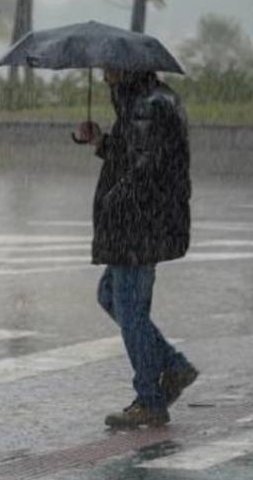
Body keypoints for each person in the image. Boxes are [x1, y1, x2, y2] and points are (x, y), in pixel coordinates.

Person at [74, 70, 199, 428]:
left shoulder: (147, 106)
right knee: (111, 294)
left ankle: (150, 397)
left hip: (137, 225)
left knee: (129, 308)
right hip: (142, 222)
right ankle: (172, 365)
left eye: (108, 68)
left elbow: (145, 168)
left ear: (126, 69)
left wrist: (117, 198)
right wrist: (101, 141)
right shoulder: (145, 102)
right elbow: (134, 154)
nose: (102, 75)